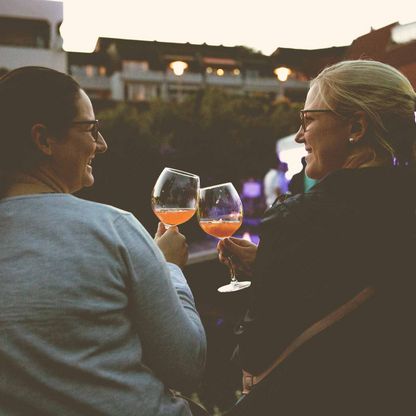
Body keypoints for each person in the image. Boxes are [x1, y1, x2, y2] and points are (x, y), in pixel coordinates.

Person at [0, 67, 206, 415]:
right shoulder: (112, 229)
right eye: (91, 129)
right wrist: (169, 269)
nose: (102, 144)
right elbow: (187, 365)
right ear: (43, 139)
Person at [218, 60, 416, 415]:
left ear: (356, 126)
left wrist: (268, 271)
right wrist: (268, 263)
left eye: (308, 120)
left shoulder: (303, 219)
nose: (299, 136)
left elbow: (254, 351)